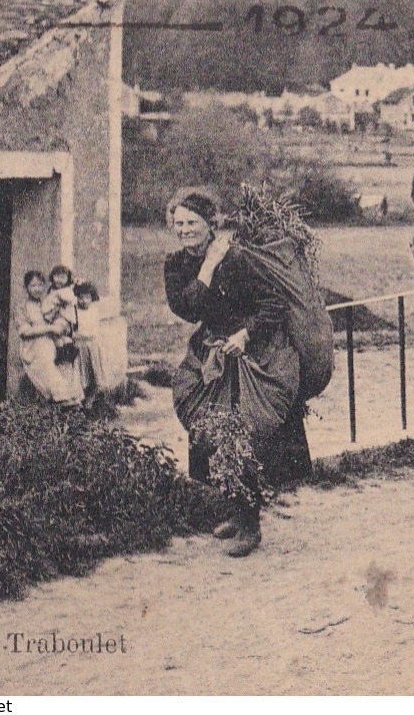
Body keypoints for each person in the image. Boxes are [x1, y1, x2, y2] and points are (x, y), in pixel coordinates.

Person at [163, 188, 309, 557]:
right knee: (211, 430)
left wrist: (245, 335)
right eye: (178, 223)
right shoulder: (177, 264)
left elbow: (273, 305)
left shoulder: (239, 259)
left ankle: (251, 523)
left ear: (210, 224)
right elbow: (188, 309)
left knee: (246, 433)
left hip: (256, 353)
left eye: (192, 222)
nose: (184, 230)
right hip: (213, 352)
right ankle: (235, 509)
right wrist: (208, 266)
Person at [16, 269, 82, 407]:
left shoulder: (47, 302)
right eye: (33, 286)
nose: (37, 289)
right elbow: (24, 331)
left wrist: (63, 328)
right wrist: (49, 329)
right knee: (45, 356)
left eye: (40, 285)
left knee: (69, 358)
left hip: (53, 342)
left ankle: (73, 399)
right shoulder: (22, 307)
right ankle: (61, 396)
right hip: (33, 347)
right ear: (26, 288)